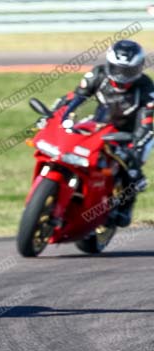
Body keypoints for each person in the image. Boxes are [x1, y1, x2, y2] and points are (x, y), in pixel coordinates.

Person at [53, 40, 152, 227]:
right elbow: (76, 97)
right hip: (100, 123)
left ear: (138, 68)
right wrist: (57, 112)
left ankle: (125, 206)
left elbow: (148, 118)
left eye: (127, 71)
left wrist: (137, 143)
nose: (121, 75)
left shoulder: (146, 86)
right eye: (117, 68)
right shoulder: (97, 74)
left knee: (131, 165)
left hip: (130, 132)